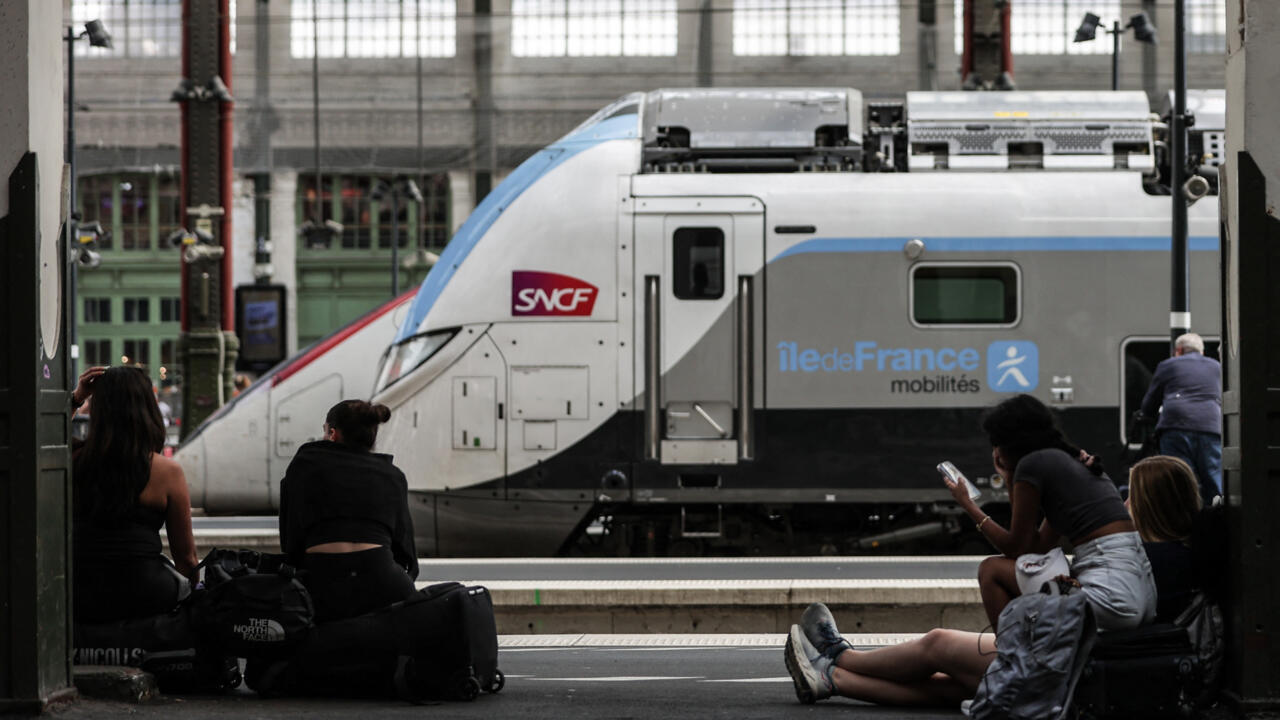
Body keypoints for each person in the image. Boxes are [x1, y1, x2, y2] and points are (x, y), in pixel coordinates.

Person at [783, 451, 1210, 707]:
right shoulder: (1177, 554)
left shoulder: (1147, 557)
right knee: (952, 686)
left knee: (938, 643)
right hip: (1093, 659)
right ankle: (832, 681)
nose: (1122, 504)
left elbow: (1034, 567)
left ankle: (838, 657)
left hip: (1080, 663)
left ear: (1150, 505)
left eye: (1131, 496)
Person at [956, 394, 1155, 632]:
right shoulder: (1068, 464)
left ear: (1007, 442)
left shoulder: (1033, 464)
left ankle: (1011, 658)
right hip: (1140, 596)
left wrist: (969, 505)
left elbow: (1016, 548)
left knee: (991, 570)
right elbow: (1035, 548)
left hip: (1110, 596)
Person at [71, 365, 199, 623]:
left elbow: (42, 436)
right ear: (147, 409)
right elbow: (186, 558)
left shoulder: (73, 461)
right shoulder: (167, 472)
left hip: (83, 592)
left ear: (98, 411)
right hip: (148, 591)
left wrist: (76, 398)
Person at [278, 399, 418, 622]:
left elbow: (291, 539)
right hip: (382, 578)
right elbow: (405, 548)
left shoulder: (304, 464)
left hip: (321, 579)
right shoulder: (393, 475)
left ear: (332, 434)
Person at [1140, 332, 1222, 505]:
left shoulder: (1167, 365)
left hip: (1176, 426)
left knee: (1180, 481)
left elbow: (1149, 405)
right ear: (1202, 352)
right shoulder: (1217, 367)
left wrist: (1148, 415)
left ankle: (1183, 523)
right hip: (1211, 426)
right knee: (1214, 479)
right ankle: (1217, 519)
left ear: (1178, 350)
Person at [1127, 455, 1201, 622]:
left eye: (1132, 496)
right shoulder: (1195, 552)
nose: (1126, 504)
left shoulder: (1141, 559)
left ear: (1148, 506)